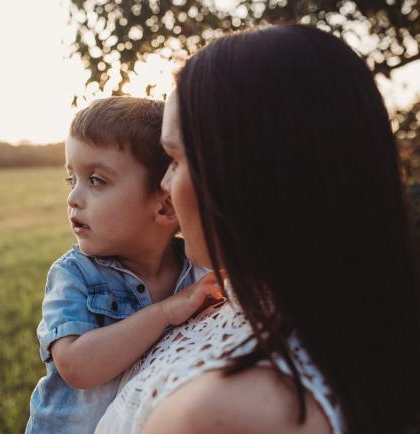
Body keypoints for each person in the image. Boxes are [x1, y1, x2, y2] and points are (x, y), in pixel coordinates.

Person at [96, 25, 420, 434]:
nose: (164, 185)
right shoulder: (256, 304)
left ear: (245, 177)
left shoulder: (222, 414)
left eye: (175, 160)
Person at [25, 97, 222, 434]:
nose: (73, 197)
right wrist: (163, 313)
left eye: (96, 180)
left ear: (165, 207)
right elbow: (76, 366)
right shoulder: (76, 274)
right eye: (71, 179)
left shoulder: (194, 268)